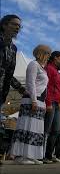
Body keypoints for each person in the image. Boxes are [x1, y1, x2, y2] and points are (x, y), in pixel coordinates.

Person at [10, 45, 51, 165]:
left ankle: (31, 155)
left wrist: (42, 102)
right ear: (41, 53)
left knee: (36, 129)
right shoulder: (33, 65)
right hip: (31, 100)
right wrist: (33, 100)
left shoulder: (42, 68)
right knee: (26, 127)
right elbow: (30, 83)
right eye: (48, 53)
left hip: (40, 100)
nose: (49, 56)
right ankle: (21, 156)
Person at [0, 15, 26, 155]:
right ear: (4, 25)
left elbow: (9, 73)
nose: (17, 28)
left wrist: (22, 89)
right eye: (14, 24)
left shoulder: (13, 48)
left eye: (19, 26)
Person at [44, 51, 60, 164]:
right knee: (47, 129)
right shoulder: (49, 68)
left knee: (56, 131)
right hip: (51, 102)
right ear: (55, 58)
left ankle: (49, 155)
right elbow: (47, 87)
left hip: (57, 104)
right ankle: (42, 155)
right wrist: (48, 102)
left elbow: (58, 90)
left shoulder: (57, 73)